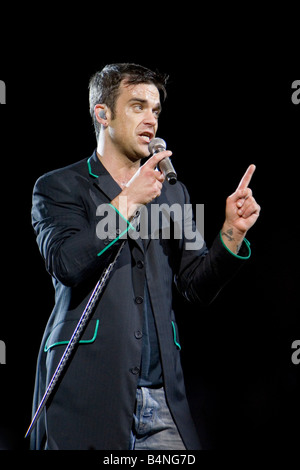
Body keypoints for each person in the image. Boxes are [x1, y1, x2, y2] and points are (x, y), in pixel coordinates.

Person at [30, 63, 260, 450]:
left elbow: (196, 285)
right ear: (102, 114)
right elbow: (66, 262)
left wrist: (232, 232)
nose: (150, 119)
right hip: (88, 392)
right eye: (138, 106)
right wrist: (126, 202)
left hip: (162, 395)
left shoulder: (173, 193)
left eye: (155, 110)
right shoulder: (59, 186)